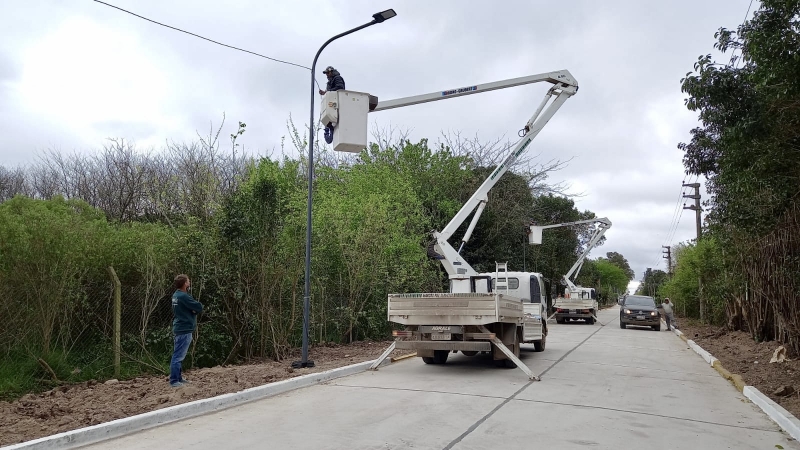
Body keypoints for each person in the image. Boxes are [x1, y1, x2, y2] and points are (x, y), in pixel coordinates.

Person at [170, 274, 203, 387]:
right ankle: (174, 380)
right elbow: (198, 307)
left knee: (178, 354)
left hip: (179, 327)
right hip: (184, 329)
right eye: (188, 280)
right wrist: (193, 311)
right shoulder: (184, 296)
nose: (189, 282)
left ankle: (178, 378)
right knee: (178, 356)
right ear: (185, 284)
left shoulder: (175, 295)